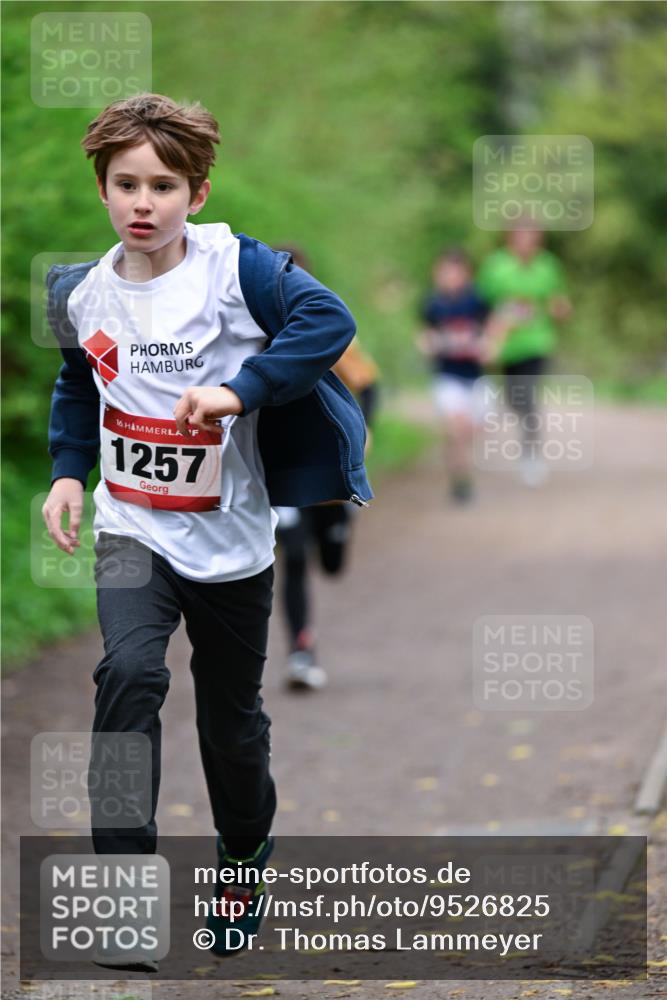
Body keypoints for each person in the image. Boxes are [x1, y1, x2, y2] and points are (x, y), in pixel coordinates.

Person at [41, 93, 371, 971]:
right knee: (128, 674)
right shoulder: (82, 292)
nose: (142, 202)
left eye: (163, 185)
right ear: (103, 189)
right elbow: (80, 387)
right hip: (131, 526)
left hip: (230, 539)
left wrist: (240, 390)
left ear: (196, 191)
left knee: (231, 727)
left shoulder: (236, 270)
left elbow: (329, 322)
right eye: (125, 184)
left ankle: (241, 858)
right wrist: (69, 472)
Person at [273, 246, 379, 689]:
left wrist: (365, 429)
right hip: (280, 465)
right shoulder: (249, 328)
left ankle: (341, 519)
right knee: (293, 556)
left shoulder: (326, 328)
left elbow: (370, 385)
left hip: (328, 462)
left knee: (331, 563)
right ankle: (301, 652)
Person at [476, 226, 571, 486]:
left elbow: (557, 301)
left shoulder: (549, 266)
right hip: (505, 345)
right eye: (520, 237)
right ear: (510, 238)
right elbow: (482, 304)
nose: (525, 243)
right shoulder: (495, 266)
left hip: (537, 342)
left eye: (531, 238)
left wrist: (560, 309)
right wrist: (488, 335)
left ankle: (531, 454)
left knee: (527, 398)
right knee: (513, 398)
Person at [418, 249, 488, 503]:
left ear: (466, 274)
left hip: (476, 377)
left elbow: (492, 332)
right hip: (447, 376)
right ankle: (461, 482)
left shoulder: (478, 302)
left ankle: (460, 468)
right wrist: (432, 345)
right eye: (443, 272)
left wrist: (487, 346)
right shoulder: (433, 304)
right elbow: (424, 336)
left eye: (454, 272)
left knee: (471, 430)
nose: (448, 277)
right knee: (456, 427)